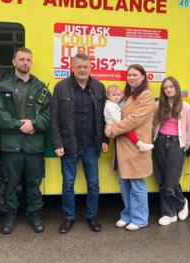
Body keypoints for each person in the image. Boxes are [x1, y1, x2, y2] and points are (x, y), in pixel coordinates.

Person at [0, 48, 52, 235]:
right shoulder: (2, 87)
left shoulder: (41, 87)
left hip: (34, 146)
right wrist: (21, 125)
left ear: (31, 62)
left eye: (28, 59)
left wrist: (34, 123)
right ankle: (10, 215)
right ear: (13, 61)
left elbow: (49, 114)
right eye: (21, 59)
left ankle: (35, 215)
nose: (25, 62)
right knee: (10, 183)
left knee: (34, 184)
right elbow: (0, 116)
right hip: (11, 145)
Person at [50, 54, 108, 233]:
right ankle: (68, 217)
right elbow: (54, 119)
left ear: (90, 68)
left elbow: (105, 117)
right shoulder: (61, 88)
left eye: (85, 67)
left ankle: (92, 217)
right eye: (79, 67)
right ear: (72, 68)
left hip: (91, 145)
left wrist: (105, 139)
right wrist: (58, 142)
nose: (82, 70)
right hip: (69, 146)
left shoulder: (99, 87)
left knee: (93, 184)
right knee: (68, 184)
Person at [105, 64, 154, 231]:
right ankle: (127, 215)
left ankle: (140, 219)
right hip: (122, 145)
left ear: (142, 77)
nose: (132, 78)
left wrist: (112, 129)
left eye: (135, 75)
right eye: (129, 75)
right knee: (124, 182)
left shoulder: (146, 96)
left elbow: (135, 119)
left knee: (137, 182)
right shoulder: (126, 95)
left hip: (135, 146)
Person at [152, 76, 190, 226]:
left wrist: (183, 147)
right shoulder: (158, 105)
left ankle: (182, 202)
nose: (168, 90)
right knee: (162, 180)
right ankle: (169, 213)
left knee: (171, 180)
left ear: (176, 88)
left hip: (177, 143)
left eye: (171, 87)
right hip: (160, 141)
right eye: (165, 88)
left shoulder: (186, 107)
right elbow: (153, 125)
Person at [104, 85, 154, 152]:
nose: (116, 97)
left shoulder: (114, 104)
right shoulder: (111, 106)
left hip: (114, 125)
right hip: (114, 125)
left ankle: (141, 145)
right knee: (129, 132)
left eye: (118, 95)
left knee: (129, 132)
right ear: (108, 96)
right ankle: (140, 145)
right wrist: (122, 121)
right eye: (114, 95)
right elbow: (115, 117)